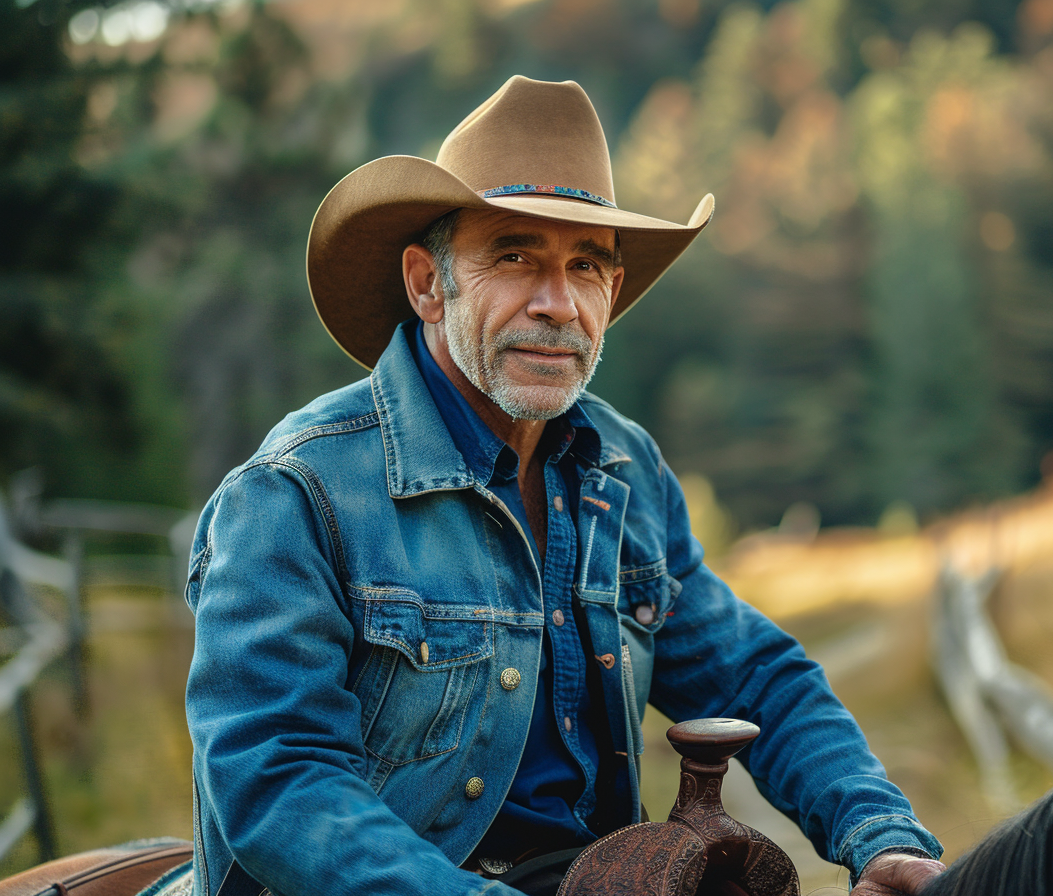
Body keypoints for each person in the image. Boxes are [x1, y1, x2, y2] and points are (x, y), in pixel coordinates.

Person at [185, 75, 945, 896]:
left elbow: (757, 676)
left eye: (585, 266)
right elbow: (280, 779)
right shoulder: (295, 493)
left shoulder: (624, 470)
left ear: (612, 294)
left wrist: (879, 831)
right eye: (514, 256)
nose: (557, 304)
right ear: (426, 284)